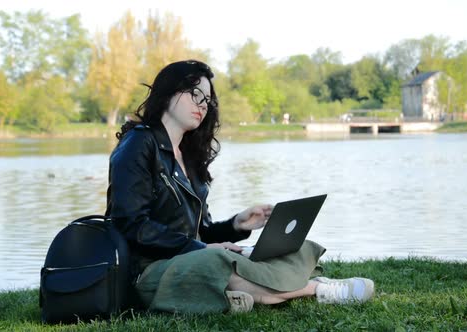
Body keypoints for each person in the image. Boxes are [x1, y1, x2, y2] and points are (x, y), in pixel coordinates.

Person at [106, 60, 374, 314]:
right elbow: (130, 224)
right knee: (217, 262)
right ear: (168, 92)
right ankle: (317, 289)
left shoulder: (189, 155)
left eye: (207, 100)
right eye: (194, 93)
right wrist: (200, 249)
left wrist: (237, 225)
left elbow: (203, 233)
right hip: (150, 270)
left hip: (190, 257)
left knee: (293, 247)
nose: (202, 104)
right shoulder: (138, 144)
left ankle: (233, 296)